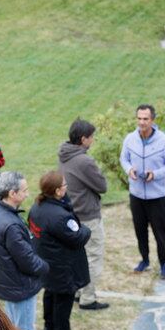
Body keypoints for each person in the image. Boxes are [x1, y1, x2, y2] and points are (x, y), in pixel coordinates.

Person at [29, 171, 90, 330]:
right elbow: (78, 237)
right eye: (64, 185)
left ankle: (49, 326)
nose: (66, 188)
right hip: (62, 266)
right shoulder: (60, 216)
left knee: (49, 292)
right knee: (64, 299)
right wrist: (85, 228)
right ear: (57, 191)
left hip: (46, 261)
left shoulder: (37, 207)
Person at [120, 104, 165, 279]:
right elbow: (123, 159)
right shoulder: (130, 139)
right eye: (139, 118)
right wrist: (129, 169)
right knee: (140, 229)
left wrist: (155, 174)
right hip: (136, 195)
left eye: (145, 119)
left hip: (157, 196)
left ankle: (164, 264)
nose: (142, 122)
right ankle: (144, 259)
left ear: (152, 120)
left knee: (160, 231)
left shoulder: (164, 141)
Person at [0, 171, 48, 330]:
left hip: (8, 283)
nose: (28, 194)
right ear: (12, 193)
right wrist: (45, 267)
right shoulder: (11, 225)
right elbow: (26, 260)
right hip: (20, 287)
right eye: (24, 190)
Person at [59, 118, 109, 311]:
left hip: (72, 213)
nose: (93, 140)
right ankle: (88, 298)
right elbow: (102, 186)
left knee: (77, 256)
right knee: (94, 255)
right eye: (91, 137)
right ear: (83, 139)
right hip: (88, 215)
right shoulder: (85, 160)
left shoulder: (64, 153)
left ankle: (79, 292)